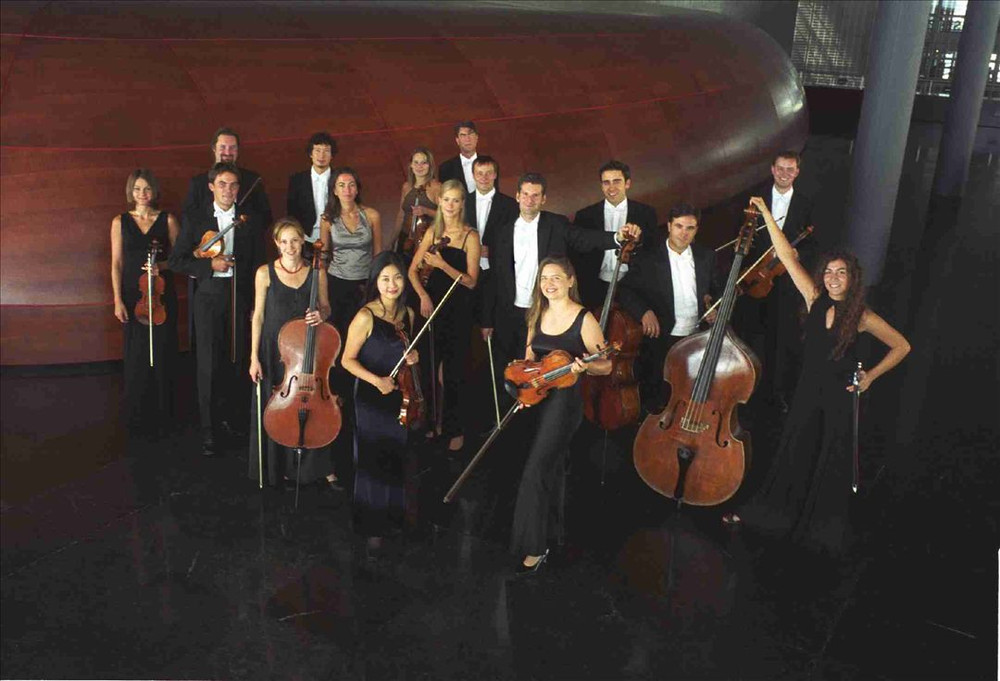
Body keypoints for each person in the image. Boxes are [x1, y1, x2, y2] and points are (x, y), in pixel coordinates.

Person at [731, 196, 911, 554]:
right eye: (828, 272)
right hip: (807, 392)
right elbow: (786, 255)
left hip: (839, 398)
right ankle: (773, 516)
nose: (833, 278)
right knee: (795, 452)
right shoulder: (814, 298)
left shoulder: (862, 315)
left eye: (841, 272)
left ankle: (818, 530)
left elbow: (902, 346)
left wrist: (871, 377)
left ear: (852, 278)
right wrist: (765, 213)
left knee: (828, 461)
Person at [482, 173, 641, 397]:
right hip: (509, 312)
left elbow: (585, 239)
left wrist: (616, 238)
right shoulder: (502, 230)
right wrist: (487, 319)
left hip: (546, 313)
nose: (529, 200)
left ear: (543, 199)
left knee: (545, 376)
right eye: (525, 194)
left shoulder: (556, 224)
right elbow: (494, 278)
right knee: (510, 375)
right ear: (517, 196)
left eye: (535, 195)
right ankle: (513, 416)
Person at [510, 257, 612, 574]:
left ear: (570, 281)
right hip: (538, 396)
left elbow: (606, 364)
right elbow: (530, 359)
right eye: (544, 278)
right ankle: (552, 535)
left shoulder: (584, 319)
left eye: (556, 277)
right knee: (550, 469)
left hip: (565, 403)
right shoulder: (537, 313)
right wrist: (524, 389)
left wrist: (585, 367)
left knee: (536, 470)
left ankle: (534, 547)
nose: (549, 284)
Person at [170, 162, 266, 456]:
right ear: (211, 187)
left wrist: (255, 303)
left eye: (234, 185)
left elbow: (257, 263)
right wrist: (210, 265)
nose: (228, 190)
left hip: (240, 296)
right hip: (209, 296)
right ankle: (208, 429)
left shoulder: (248, 220)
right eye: (222, 184)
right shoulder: (196, 218)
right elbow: (177, 261)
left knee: (236, 358)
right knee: (209, 364)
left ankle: (232, 420)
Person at [247, 218, 341, 490]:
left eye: (295, 241)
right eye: (284, 241)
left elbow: (326, 308)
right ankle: (279, 468)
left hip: (306, 351)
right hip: (274, 352)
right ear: (277, 244)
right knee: (278, 407)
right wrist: (253, 357)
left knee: (313, 406)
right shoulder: (264, 273)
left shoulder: (317, 272)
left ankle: (319, 467)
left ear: (303, 241)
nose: (290, 247)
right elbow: (258, 317)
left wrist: (320, 315)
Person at [340, 252, 419, 555]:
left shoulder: (408, 314)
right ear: (376, 281)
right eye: (385, 278)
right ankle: (371, 526)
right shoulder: (366, 316)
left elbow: (407, 355)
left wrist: (414, 358)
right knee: (373, 458)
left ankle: (392, 518)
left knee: (395, 454)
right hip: (371, 397)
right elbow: (347, 360)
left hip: (399, 394)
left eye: (397, 277)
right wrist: (376, 381)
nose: (392, 284)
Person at [617, 203, 722, 413]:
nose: (684, 233)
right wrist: (644, 312)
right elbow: (625, 290)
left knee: (693, 393)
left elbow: (718, 289)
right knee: (660, 396)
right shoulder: (648, 257)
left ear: (697, 230)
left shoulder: (706, 256)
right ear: (669, 226)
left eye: (690, 228)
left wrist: (714, 307)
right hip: (662, 336)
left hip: (697, 335)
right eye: (679, 226)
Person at [737, 150, 816, 412]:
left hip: (784, 282)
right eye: (780, 168)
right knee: (747, 336)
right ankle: (741, 392)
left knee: (779, 342)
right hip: (754, 279)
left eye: (790, 169)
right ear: (772, 169)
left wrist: (798, 254)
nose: (784, 174)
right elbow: (740, 235)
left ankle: (773, 395)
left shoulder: (806, 204)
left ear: (797, 172)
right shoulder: (754, 199)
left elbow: (814, 245)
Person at [407, 179, 481, 451]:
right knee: (427, 367)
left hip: (457, 310)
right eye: (446, 199)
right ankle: (429, 424)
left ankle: (454, 429)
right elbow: (412, 271)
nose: (450, 205)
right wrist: (423, 296)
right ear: (439, 201)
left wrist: (442, 264)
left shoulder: (470, 236)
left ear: (462, 204)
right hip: (431, 308)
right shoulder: (432, 232)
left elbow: (471, 281)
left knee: (454, 372)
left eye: (455, 200)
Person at [110, 169, 180, 432]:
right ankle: (138, 416)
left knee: (162, 351)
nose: (142, 194)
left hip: (160, 295)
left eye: (147, 188)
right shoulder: (119, 222)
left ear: (154, 191)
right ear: (131, 191)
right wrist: (117, 300)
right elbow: (116, 264)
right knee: (136, 354)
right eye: (137, 189)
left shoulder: (168, 220)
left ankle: (164, 416)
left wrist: (160, 265)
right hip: (133, 296)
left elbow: (180, 260)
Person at [571, 160, 659, 309]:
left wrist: (638, 241)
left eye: (617, 181)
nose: (611, 187)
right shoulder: (585, 216)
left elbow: (653, 251)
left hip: (634, 285)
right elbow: (578, 252)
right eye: (606, 182)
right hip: (595, 285)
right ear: (601, 186)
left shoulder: (646, 213)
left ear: (627, 183)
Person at [319, 167, 383, 338]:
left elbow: (378, 255)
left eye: (351, 185)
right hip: (337, 281)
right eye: (341, 185)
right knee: (338, 331)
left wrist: (376, 285)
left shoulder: (372, 215)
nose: (347, 190)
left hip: (364, 282)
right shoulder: (327, 219)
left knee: (365, 332)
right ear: (334, 190)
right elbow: (322, 258)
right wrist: (322, 295)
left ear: (357, 189)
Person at [464, 155, 518, 329]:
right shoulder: (462, 202)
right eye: (479, 173)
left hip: (497, 272)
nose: (484, 177)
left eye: (488, 173)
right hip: (466, 269)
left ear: (495, 175)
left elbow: (515, 239)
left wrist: (492, 250)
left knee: (496, 324)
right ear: (473, 175)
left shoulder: (510, 205)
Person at [182, 127, 272, 225]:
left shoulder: (253, 181)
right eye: (222, 147)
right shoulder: (198, 183)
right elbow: (189, 220)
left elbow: (265, 218)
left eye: (232, 148)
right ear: (214, 148)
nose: (227, 152)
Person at [286, 132, 337, 242]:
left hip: (336, 235)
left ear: (332, 155)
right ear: (311, 154)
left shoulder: (340, 178)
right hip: (306, 236)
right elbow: (291, 212)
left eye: (326, 151)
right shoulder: (297, 180)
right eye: (317, 150)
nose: (321, 156)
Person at [392, 146, 441, 259]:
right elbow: (401, 215)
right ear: (411, 165)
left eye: (424, 163)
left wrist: (426, 211)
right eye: (416, 162)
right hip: (405, 238)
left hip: (426, 240)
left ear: (430, 165)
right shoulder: (406, 186)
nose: (419, 166)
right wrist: (393, 240)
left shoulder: (437, 187)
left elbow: (447, 216)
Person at [438, 121, 481, 193]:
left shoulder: (490, 164)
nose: (467, 139)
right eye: (463, 135)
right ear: (457, 140)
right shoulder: (446, 168)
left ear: (477, 138)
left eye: (470, 134)